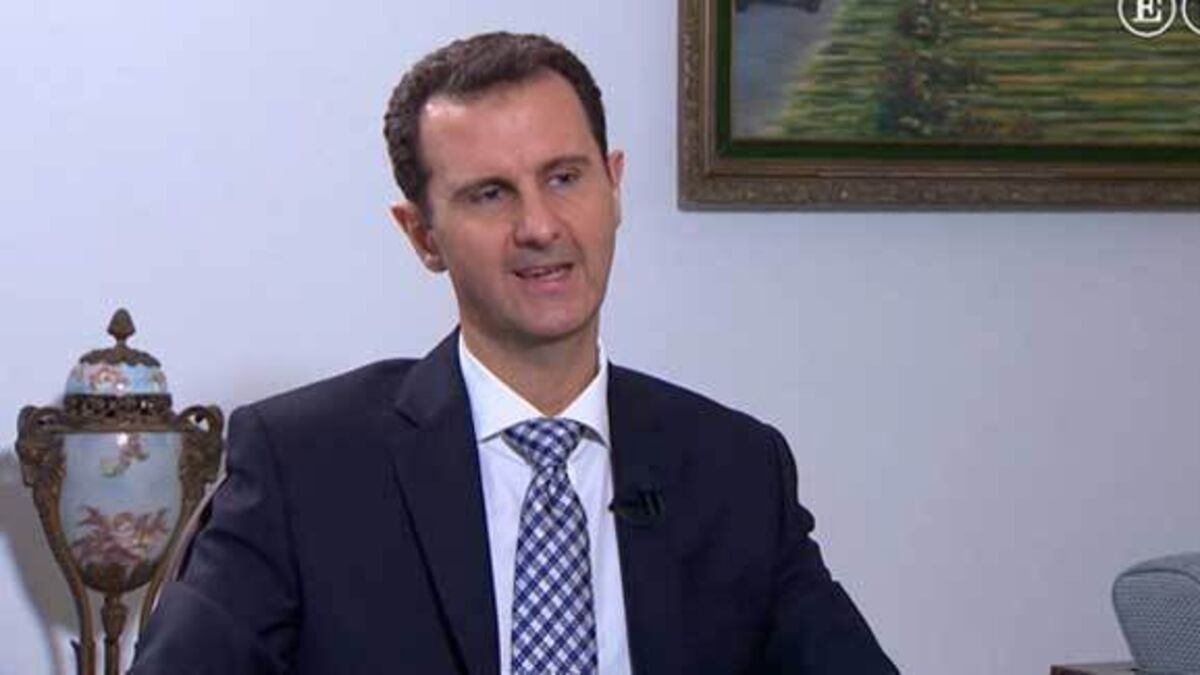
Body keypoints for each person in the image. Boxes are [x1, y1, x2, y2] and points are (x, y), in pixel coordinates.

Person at [130, 31, 897, 675]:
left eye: (564, 178)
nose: (540, 226)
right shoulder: (304, 466)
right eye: (490, 194)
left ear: (614, 187)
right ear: (422, 235)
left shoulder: (736, 471)